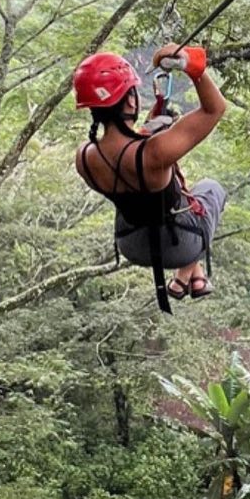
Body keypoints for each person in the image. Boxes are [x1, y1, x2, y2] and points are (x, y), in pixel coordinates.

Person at [73, 44, 227, 308]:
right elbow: (214, 110)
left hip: (132, 245)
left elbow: (124, 164)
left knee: (155, 199)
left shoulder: (84, 158)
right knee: (211, 188)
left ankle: (191, 276)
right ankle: (186, 272)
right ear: (131, 100)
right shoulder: (155, 153)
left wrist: (147, 131)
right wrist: (192, 67)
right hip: (179, 245)